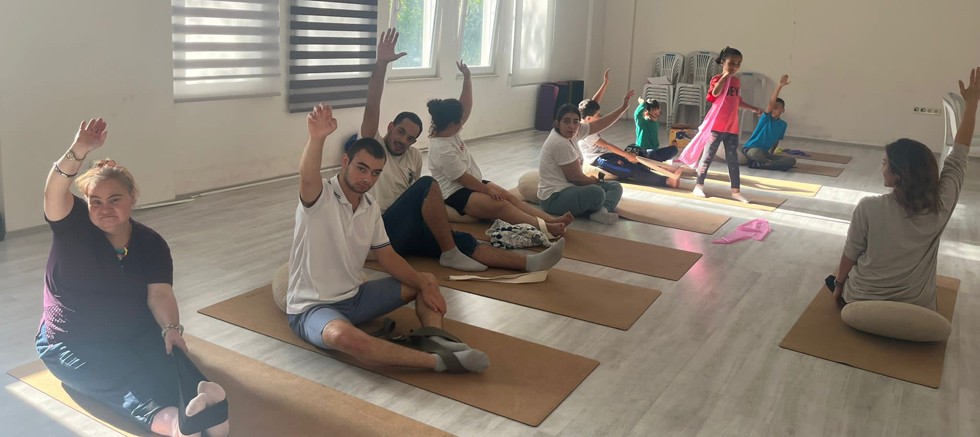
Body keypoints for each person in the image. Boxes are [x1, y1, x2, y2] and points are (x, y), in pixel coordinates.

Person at [36, 119, 229, 437]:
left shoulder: (151, 242)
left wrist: (171, 329)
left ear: (132, 198)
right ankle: (176, 426)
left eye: (115, 199)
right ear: (86, 204)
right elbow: (53, 190)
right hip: (72, 340)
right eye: (95, 202)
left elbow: (160, 294)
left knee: (165, 360)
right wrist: (80, 148)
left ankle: (211, 410)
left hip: (132, 331)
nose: (104, 209)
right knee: (117, 381)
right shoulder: (72, 227)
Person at [287, 103, 489, 374]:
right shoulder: (320, 197)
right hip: (312, 308)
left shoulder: (370, 207)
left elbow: (388, 256)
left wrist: (424, 284)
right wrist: (317, 138)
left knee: (426, 279)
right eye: (361, 168)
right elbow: (307, 175)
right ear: (345, 162)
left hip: (355, 298)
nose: (367, 179)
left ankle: (438, 341)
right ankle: (439, 362)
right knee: (344, 338)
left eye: (375, 173)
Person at [360, 29, 565, 273]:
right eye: (400, 132)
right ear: (390, 127)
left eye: (410, 138)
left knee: (461, 239)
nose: (403, 140)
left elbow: (463, 110)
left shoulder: (413, 156)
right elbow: (372, 104)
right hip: (382, 226)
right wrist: (381, 64)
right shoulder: (374, 147)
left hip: (404, 227)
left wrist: (467, 78)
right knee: (427, 185)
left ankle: (529, 263)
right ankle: (450, 253)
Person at [829, 68, 977, 310]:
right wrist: (972, 105)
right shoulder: (941, 204)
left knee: (835, 277)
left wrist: (838, 284)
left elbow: (851, 254)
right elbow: (959, 155)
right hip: (917, 306)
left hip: (860, 303)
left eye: (885, 163)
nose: (881, 167)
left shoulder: (869, 207)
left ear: (898, 175)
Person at [426, 61, 573, 238]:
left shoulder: (449, 131)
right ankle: (544, 227)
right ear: (452, 123)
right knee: (502, 205)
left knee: (508, 196)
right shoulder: (442, 148)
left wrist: (467, 77)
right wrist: (488, 190)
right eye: (461, 120)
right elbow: (463, 179)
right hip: (456, 193)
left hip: (472, 182)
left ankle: (551, 219)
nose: (463, 121)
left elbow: (465, 106)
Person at [537, 89, 635, 224]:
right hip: (554, 197)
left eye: (575, 121)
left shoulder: (574, 131)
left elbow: (599, 124)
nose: (571, 126)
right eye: (566, 121)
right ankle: (599, 206)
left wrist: (623, 108)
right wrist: (594, 181)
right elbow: (577, 178)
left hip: (571, 188)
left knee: (615, 186)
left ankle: (601, 211)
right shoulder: (559, 143)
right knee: (597, 192)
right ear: (557, 123)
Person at [578, 69, 682, 188]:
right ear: (588, 118)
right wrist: (627, 155)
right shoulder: (586, 133)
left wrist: (605, 84)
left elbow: (594, 102)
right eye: (598, 115)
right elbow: (607, 145)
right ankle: (667, 181)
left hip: (609, 155)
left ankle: (666, 168)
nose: (601, 117)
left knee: (643, 155)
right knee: (633, 169)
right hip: (600, 160)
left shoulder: (586, 119)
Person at [690, 47, 763, 203]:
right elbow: (714, 94)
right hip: (716, 127)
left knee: (733, 160)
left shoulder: (736, 81)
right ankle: (698, 186)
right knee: (707, 157)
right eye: (731, 63)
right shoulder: (717, 79)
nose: (735, 67)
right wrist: (724, 76)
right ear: (723, 63)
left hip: (732, 128)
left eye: (738, 64)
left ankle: (736, 191)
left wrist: (753, 108)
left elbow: (737, 101)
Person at [742, 74, 797, 171]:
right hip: (751, 149)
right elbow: (771, 103)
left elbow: (776, 140)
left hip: (765, 153)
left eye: (776, 108)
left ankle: (764, 164)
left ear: (783, 110)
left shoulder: (783, 125)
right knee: (755, 153)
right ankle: (767, 163)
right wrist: (779, 86)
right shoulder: (765, 118)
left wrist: (771, 154)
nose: (773, 110)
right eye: (772, 108)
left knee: (791, 160)